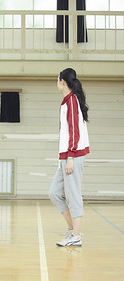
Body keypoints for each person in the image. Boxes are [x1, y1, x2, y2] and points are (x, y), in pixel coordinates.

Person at [49, 68, 90, 247]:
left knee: (73, 195)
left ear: (63, 82)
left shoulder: (72, 100)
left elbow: (75, 130)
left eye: (57, 80)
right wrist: (64, 159)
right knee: (55, 193)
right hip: (66, 156)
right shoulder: (66, 102)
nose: (56, 83)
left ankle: (76, 236)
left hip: (73, 155)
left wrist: (71, 157)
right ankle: (74, 231)